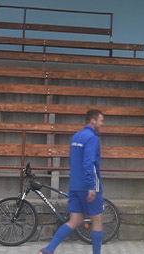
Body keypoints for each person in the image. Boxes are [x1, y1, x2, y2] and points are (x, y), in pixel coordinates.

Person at [39, 109, 105, 254]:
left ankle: (49, 249)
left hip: (75, 185)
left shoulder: (76, 137)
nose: (102, 123)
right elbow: (89, 163)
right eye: (101, 120)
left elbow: (73, 161)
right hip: (89, 186)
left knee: (75, 220)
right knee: (97, 221)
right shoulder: (92, 138)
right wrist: (91, 186)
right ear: (93, 120)